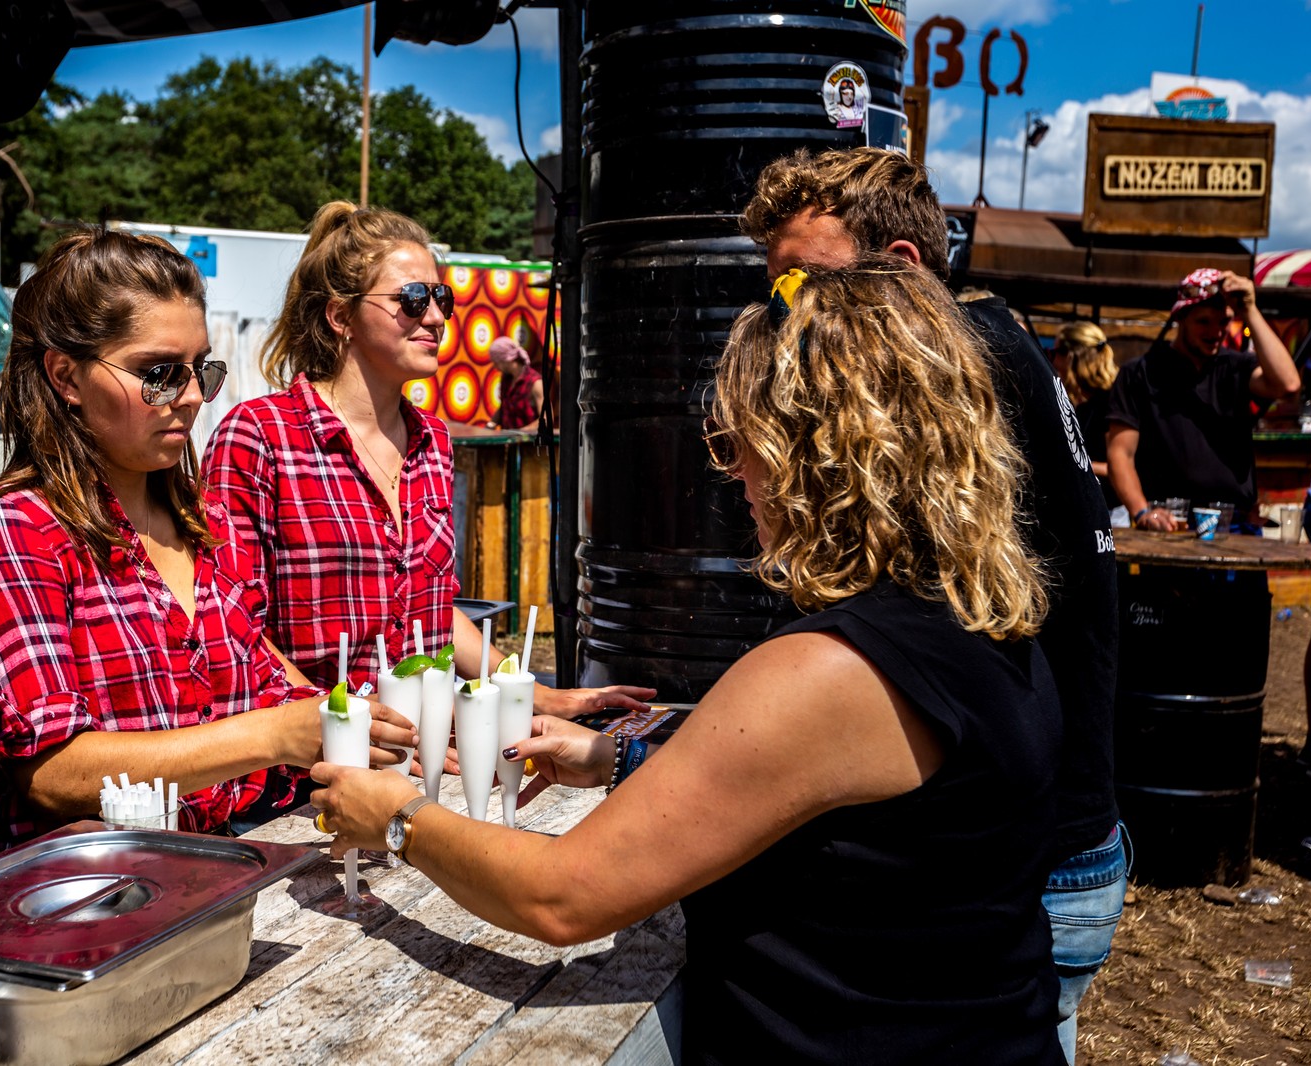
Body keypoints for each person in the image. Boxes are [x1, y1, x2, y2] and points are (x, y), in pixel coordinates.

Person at [312, 261, 1066, 1064]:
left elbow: (560, 894)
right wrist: (619, 758)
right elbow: (841, 823)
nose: (732, 469)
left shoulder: (832, 668)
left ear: (816, 449)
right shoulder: (978, 615)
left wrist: (394, 816)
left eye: (739, 439)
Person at [739, 146, 1122, 1062]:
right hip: (1062, 833)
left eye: (803, 285)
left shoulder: (963, 358)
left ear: (902, 269)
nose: (787, 315)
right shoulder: (998, 339)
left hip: (1038, 853)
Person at [0, 229, 416, 842]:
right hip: (86, 900)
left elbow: (257, 670)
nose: (189, 397)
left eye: (199, 371)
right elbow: (54, 771)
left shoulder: (204, 520)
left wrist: (360, 727)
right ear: (66, 378)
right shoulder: (12, 534)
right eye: (157, 373)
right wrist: (274, 735)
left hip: (222, 866)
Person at [203, 202, 653, 716]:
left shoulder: (431, 440)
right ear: (340, 315)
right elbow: (233, 624)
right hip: (305, 771)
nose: (436, 317)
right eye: (413, 299)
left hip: (421, 748)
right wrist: (342, 723)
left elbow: (434, 612)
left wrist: (536, 694)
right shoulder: (261, 436)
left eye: (441, 296)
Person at [1107, 267, 1299, 533]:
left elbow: (1288, 384)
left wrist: (1250, 311)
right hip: (1171, 523)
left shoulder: (1237, 367)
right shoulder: (1140, 373)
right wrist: (1142, 512)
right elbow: (1120, 452)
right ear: (1181, 318)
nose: (1215, 331)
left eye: (1223, 322)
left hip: (1234, 525)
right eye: (1204, 321)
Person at [1055, 320, 1122, 516]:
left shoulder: (1112, 401)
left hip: (1110, 512)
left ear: (1073, 357)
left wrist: (1076, 465)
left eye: (1055, 353)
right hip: (1081, 509)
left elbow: (1118, 467)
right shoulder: (1076, 402)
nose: (1052, 361)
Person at [488, 336, 543, 431]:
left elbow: (545, 420)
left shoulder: (535, 383)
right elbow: (505, 407)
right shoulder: (506, 379)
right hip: (508, 443)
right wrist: (490, 425)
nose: (495, 367)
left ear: (506, 359)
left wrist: (520, 433)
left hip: (527, 444)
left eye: (496, 363)